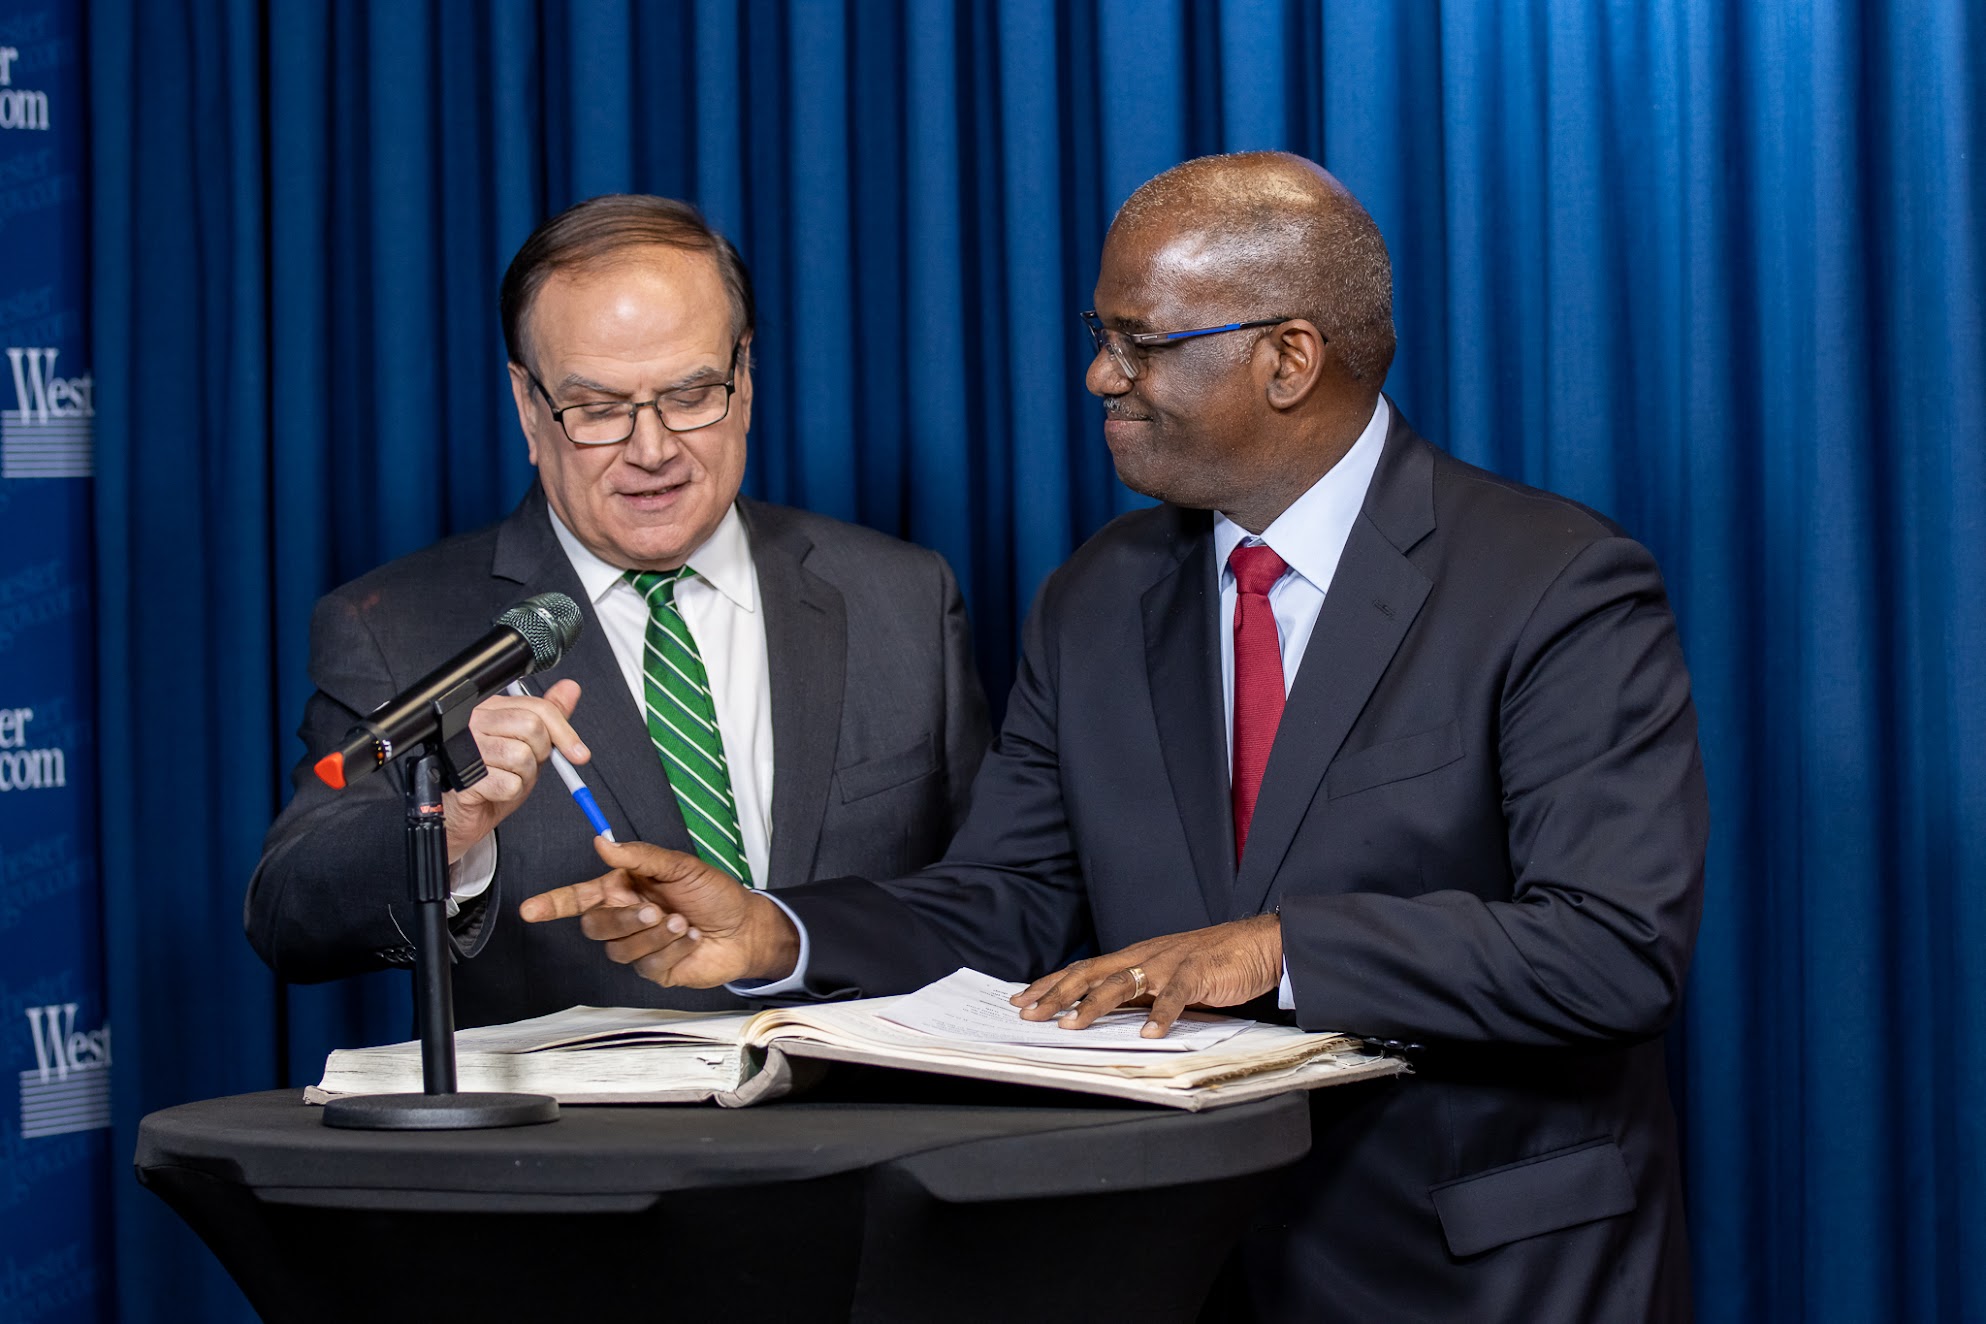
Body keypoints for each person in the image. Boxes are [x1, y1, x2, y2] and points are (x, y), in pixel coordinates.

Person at [523, 154, 1706, 1322]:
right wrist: (774, 929)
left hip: (1485, 1274)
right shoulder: (1096, 598)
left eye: (1140, 342)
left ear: (1288, 359)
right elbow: (1010, 904)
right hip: (1164, 1259)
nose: (1100, 374)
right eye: (1102, 333)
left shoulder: (1555, 584)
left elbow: (1610, 949)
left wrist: (1276, 950)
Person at [246, 195, 990, 1026]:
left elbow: (993, 903)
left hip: (874, 1138)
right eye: (598, 410)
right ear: (530, 409)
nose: (652, 449)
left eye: (691, 393)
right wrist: (448, 830)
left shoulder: (902, 595)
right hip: (581, 1150)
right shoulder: (396, 628)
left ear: (744, 379)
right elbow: (289, 919)